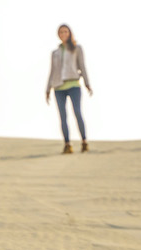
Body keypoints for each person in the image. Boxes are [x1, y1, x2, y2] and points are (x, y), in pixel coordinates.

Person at [46, 24, 92, 154]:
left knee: (77, 112)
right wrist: (47, 88)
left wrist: (87, 83)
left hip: (73, 85)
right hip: (58, 87)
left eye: (65, 31)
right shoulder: (55, 53)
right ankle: (67, 144)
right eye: (61, 32)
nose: (63, 34)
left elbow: (82, 66)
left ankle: (84, 141)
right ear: (58, 35)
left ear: (70, 33)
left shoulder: (77, 49)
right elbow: (52, 71)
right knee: (63, 116)